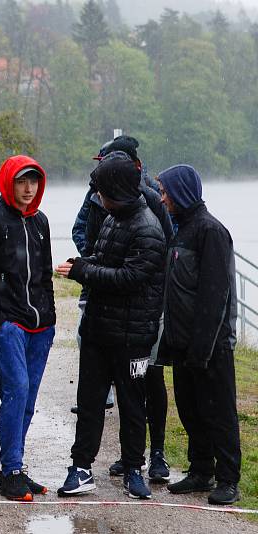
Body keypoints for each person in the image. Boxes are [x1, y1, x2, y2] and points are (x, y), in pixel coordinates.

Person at [55, 155, 165, 500]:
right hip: (99, 331)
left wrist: (82, 273)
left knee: (133, 405)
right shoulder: (113, 218)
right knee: (89, 402)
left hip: (132, 337)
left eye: (101, 190)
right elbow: (105, 261)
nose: (98, 196)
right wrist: (83, 263)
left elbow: (130, 279)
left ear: (116, 190)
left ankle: (134, 469)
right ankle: (81, 468)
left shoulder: (148, 227)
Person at [0, 155, 56, 501]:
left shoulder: (41, 222)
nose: (28, 188)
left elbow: (45, 273)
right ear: (8, 183)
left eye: (33, 181)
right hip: (9, 326)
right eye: (21, 181)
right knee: (16, 390)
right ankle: (11, 470)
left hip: (40, 327)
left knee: (29, 397)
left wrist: (49, 319)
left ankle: (15, 467)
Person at [156, 165, 241, 505]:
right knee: (190, 409)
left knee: (219, 413)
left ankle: (228, 479)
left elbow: (215, 295)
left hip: (210, 346)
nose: (162, 199)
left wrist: (202, 348)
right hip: (181, 342)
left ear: (182, 192)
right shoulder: (181, 229)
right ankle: (200, 470)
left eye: (165, 192)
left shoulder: (211, 231)